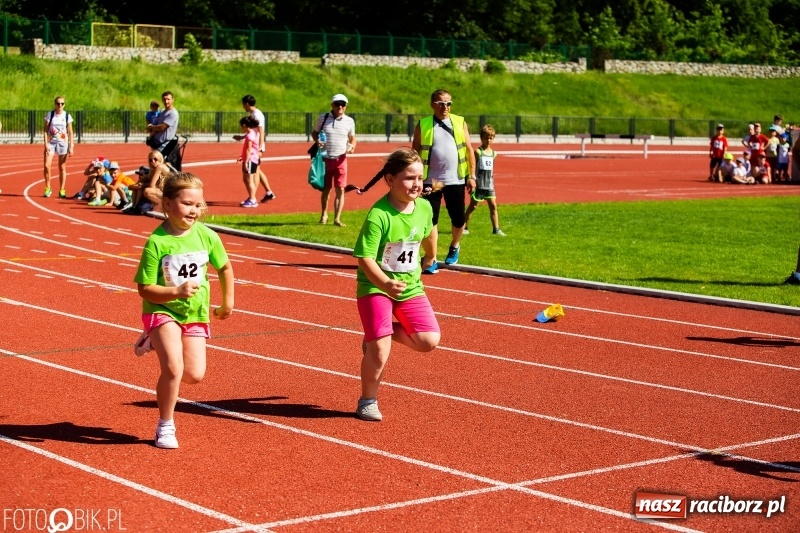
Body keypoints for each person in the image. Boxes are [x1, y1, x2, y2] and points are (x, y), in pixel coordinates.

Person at [133, 172, 234, 448]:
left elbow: (224, 267)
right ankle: (165, 426)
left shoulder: (207, 236)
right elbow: (145, 289)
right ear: (167, 204)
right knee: (173, 369)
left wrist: (228, 302)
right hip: (162, 308)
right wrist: (175, 292)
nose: (194, 210)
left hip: (194, 312)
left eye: (199, 205)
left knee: (194, 375)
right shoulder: (157, 242)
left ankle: (152, 341)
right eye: (187, 203)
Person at [352, 148, 440, 421]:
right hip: (376, 286)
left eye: (419, 178)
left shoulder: (424, 206)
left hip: (410, 285)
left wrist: (432, 254)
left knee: (428, 341)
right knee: (380, 350)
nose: (416, 184)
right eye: (408, 178)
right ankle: (368, 400)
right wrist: (386, 283)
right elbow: (364, 256)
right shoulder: (379, 215)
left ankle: (377, 333)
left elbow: (429, 229)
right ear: (390, 179)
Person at [411, 89, 476, 273]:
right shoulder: (423, 124)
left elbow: (469, 149)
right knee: (430, 220)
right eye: (441, 103)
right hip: (430, 180)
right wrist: (415, 178)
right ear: (432, 104)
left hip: (455, 179)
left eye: (448, 103)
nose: (445, 107)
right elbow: (414, 153)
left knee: (458, 218)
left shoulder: (459, 122)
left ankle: (454, 246)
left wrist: (471, 176)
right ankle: (431, 259)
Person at [311, 93, 356, 226]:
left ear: (346, 106)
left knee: (340, 189)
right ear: (332, 105)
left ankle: (337, 218)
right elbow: (314, 133)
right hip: (325, 159)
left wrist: (352, 146)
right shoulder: (323, 118)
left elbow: (352, 138)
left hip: (341, 159)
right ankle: (324, 214)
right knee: (326, 189)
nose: (340, 106)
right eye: (337, 104)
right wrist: (317, 141)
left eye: (343, 104)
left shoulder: (349, 121)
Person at [233, 95, 276, 203]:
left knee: (254, 173)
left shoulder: (257, 115)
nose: (243, 106)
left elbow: (261, 132)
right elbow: (253, 132)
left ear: (247, 104)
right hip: (255, 145)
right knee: (257, 170)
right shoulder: (253, 114)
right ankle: (268, 192)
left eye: (243, 104)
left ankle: (252, 198)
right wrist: (242, 137)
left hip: (256, 148)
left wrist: (261, 148)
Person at [464, 124, 505, 236]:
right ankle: (464, 227)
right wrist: (471, 179)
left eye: (491, 138)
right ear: (481, 138)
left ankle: (496, 229)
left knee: (493, 205)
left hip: (489, 185)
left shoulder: (494, 154)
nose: (488, 140)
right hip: (479, 184)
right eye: (486, 138)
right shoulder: (478, 152)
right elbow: (472, 165)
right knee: (473, 206)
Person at [43, 96, 74, 198]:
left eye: (62, 103)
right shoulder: (50, 115)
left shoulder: (67, 116)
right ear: (54, 104)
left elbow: (70, 132)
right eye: (58, 103)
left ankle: (62, 190)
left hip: (63, 143)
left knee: (62, 167)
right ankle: (48, 188)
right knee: (47, 165)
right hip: (51, 142)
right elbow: (45, 130)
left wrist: (71, 145)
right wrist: (45, 144)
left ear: (64, 104)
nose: (60, 105)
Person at [124, 150, 173, 215]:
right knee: (138, 187)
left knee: (147, 191)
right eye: (150, 160)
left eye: (155, 159)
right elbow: (144, 182)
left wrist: (142, 185)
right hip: (158, 191)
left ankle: (163, 205)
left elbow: (151, 185)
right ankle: (134, 207)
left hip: (164, 193)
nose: (153, 161)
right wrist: (140, 182)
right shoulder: (152, 169)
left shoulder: (159, 167)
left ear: (160, 158)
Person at [236, 115, 260, 208]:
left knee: (250, 180)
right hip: (249, 159)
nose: (241, 128)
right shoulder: (251, 133)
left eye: (241, 126)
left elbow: (249, 150)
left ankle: (253, 200)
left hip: (251, 160)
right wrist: (242, 157)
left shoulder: (250, 135)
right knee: (246, 179)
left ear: (245, 125)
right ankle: (251, 197)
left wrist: (245, 161)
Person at [146, 91, 180, 158]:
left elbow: (162, 127)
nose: (166, 101)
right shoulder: (162, 111)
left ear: (173, 100)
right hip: (156, 143)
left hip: (164, 145)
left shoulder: (173, 113)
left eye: (168, 99)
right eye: (164, 99)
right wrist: (149, 125)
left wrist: (151, 127)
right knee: (154, 163)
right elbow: (154, 121)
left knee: (159, 164)